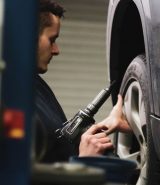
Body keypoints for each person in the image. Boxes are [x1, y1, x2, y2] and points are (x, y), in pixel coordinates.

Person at [35, 0, 130, 162]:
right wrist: (85, 159)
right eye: (52, 39)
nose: (56, 50)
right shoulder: (8, 93)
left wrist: (108, 124)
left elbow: (58, 146)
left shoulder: (36, 85)